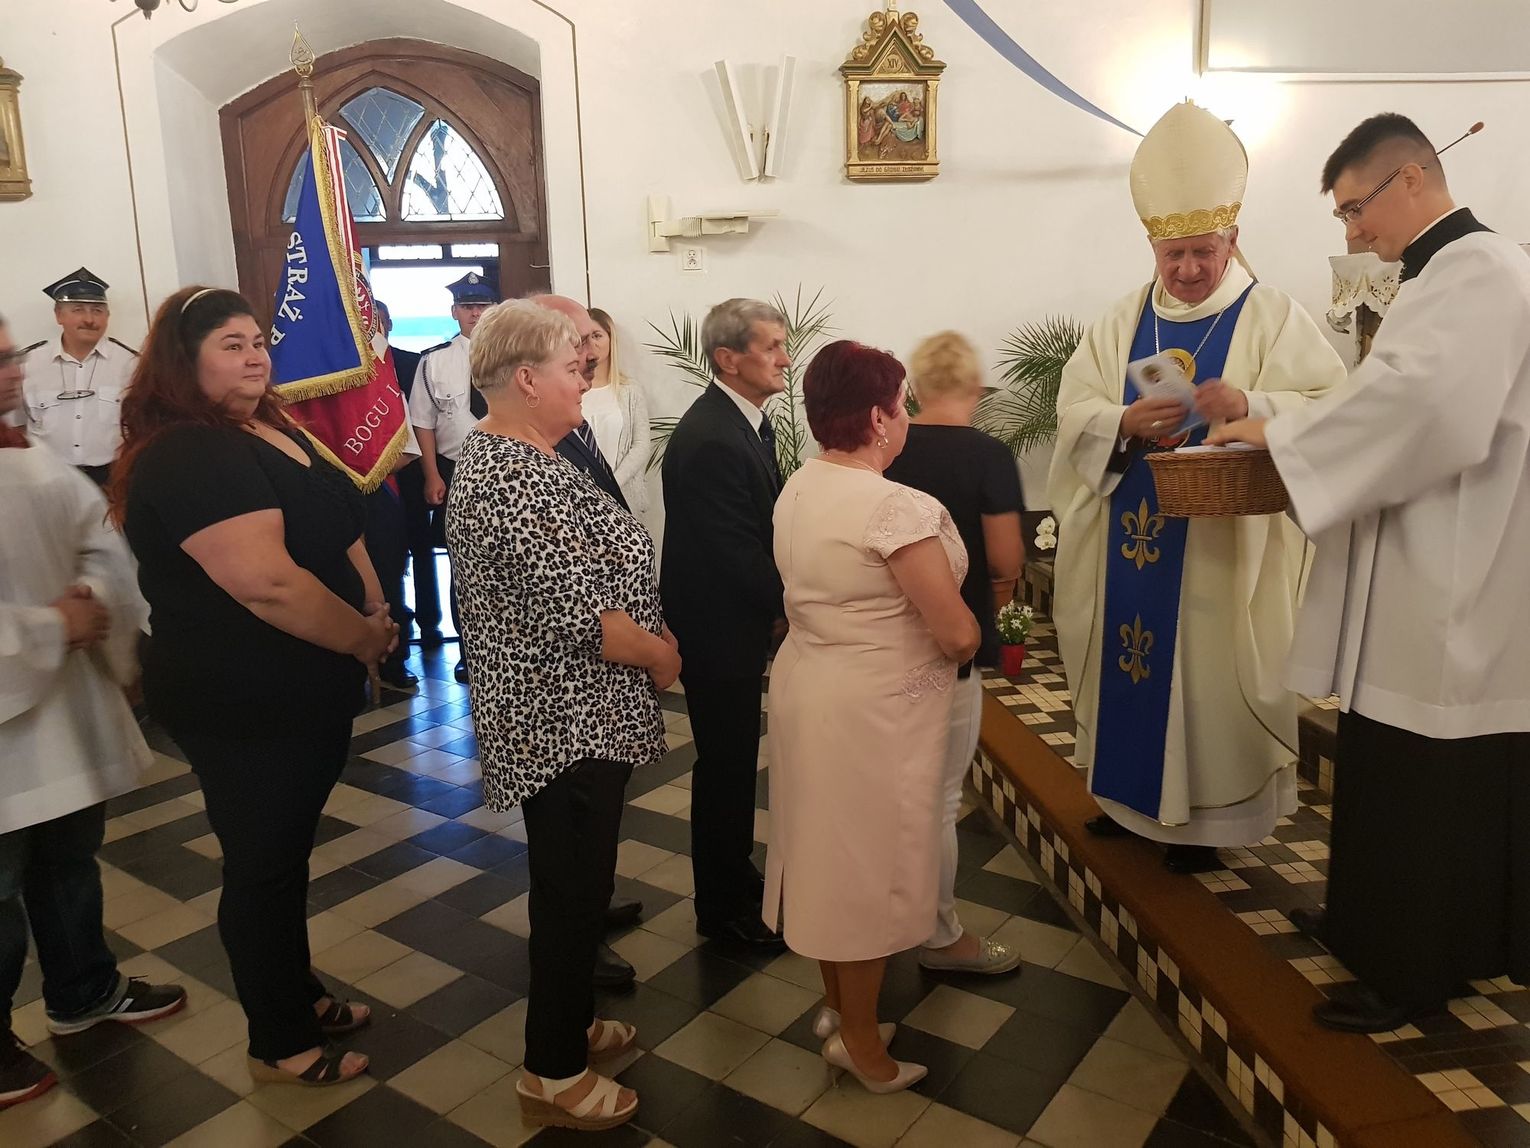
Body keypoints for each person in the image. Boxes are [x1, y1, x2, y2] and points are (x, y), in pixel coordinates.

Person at [1209, 112, 1530, 1033]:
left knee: (1428, 781)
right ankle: (1370, 925)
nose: (1353, 231)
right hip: (1421, 559)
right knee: (1389, 762)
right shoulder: (1444, 275)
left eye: (1357, 208)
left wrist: (1280, 433)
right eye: (1344, 215)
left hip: (1454, 570)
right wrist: (1271, 412)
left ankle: (1412, 968)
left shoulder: (1480, 270)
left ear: (1413, 178)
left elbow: (1422, 411)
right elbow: (1378, 395)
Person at [1047, 100, 1347, 873]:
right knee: (1130, 664)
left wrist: (1251, 403)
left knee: (1207, 675)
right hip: (1129, 537)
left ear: (1232, 240)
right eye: (1173, 253)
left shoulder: (1272, 317)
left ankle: (1204, 821)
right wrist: (1120, 421)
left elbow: (1332, 406)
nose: (1186, 269)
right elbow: (1074, 410)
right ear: (1152, 246)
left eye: (1202, 252)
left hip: (1222, 549)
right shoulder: (1122, 320)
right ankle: (1130, 801)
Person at [111, 286, 397, 1086]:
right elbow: (267, 584)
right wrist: (362, 638)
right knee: (262, 861)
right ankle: (278, 1039)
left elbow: (337, 526)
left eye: (258, 341)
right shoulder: (190, 452)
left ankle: (298, 993)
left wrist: (372, 605)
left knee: (285, 852)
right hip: (241, 694)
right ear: (184, 362)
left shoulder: (268, 425)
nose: (254, 356)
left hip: (299, 685)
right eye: (231, 345)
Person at [445, 299, 674, 1132]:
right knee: (571, 893)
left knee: (580, 884)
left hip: (581, 714)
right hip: (560, 721)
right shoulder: (510, 473)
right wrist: (659, 654)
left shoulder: (534, 455)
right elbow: (585, 617)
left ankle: (571, 1022)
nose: (587, 376)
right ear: (526, 379)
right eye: (573, 366)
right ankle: (553, 1072)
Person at [766, 339, 980, 1094]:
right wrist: (972, 632)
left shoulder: (802, 483)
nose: (906, 416)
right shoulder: (893, 507)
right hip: (874, 712)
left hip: (810, 686)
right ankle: (861, 1042)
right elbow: (954, 632)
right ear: (881, 417)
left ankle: (840, 1010)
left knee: (829, 858)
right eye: (900, 404)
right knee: (863, 869)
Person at [0, 315, 186, 1111]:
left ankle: (83, 990)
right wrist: (51, 625)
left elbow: (97, 540)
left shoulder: (25, 449)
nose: (14, 373)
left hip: (60, 707)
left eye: (9, 356)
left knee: (68, 858)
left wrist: (97, 594)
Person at [884, 331, 1024, 975]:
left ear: (915, 388)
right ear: (974, 386)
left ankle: (883, 918)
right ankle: (940, 935)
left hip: (889, 639)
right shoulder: (988, 454)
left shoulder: (889, 448)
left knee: (889, 790)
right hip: (953, 641)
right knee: (939, 798)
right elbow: (1005, 558)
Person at [661, 298, 791, 950]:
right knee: (726, 768)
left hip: (732, 623)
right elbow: (736, 551)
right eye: (772, 347)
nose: (786, 359)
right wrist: (792, 606)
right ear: (728, 358)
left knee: (735, 764)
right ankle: (722, 908)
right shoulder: (713, 435)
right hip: (717, 629)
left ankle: (736, 879)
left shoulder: (742, 422)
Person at [527, 293, 647, 992]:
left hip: (600, 679)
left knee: (594, 828)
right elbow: (568, 595)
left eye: (589, 340)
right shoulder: (527, 453)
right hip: (567, 691)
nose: (586, 354)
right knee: (569, 837)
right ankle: (576, 948)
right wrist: (653, 649)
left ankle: (590, 911)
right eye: (572, 342)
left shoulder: (569, 426)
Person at [408, 272, 498, 683]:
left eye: (482, 306)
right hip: (455, 469)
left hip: (505, 471)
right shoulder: (434, 360)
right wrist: (431, 475)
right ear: (454, 312)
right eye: (467, 306)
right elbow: (422, 422)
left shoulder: (516, 356)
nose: (475, 313)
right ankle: (468, 651)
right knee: (463, 565)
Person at [20, 268, 137, 487]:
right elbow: (15, 428)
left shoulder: (131, 364)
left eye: (97, 310)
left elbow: (142, 428)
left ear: (107, 316)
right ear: (59, 315)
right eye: (78, 310)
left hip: (113, 480)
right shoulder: (28, 365)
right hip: (47, 482)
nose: (89, 319)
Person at [364, 300, 420, 690]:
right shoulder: (323, 383)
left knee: (388, 580)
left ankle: (393, 661)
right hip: (336, 497)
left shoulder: (385, 383)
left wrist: (364, 473)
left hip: (381, 493)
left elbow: (409, 449)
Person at [582, 308, 652, 519]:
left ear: (610, 339)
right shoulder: (571, 392)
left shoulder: (629, 391)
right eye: (584, 338)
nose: (591, 344)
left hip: (623, 498)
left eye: (597, 336)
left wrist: (612, 483)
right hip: (582, 499)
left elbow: (641, 445)